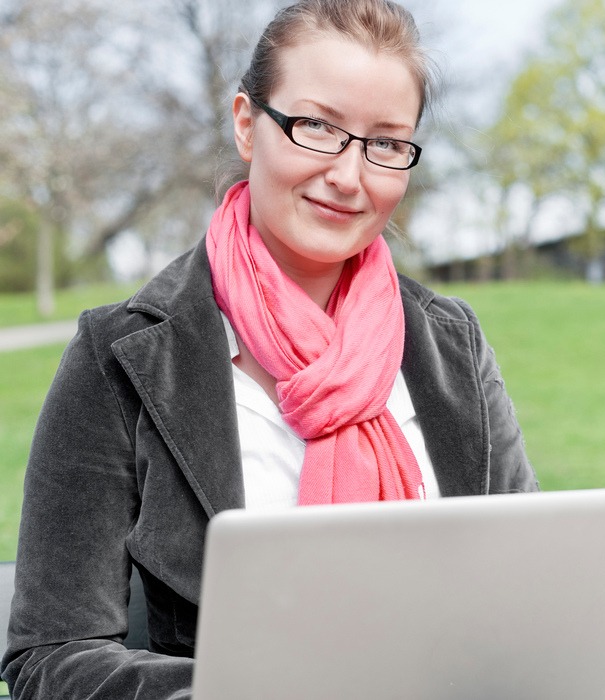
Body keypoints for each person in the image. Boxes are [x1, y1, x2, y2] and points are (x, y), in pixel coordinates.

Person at [1, 0, 538, 696]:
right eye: (317, 126)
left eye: (385, 142)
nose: (349, 175)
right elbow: (53, 652)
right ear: (248, 124)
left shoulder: (450, 345)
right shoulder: (121, 358)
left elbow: (523, 596)